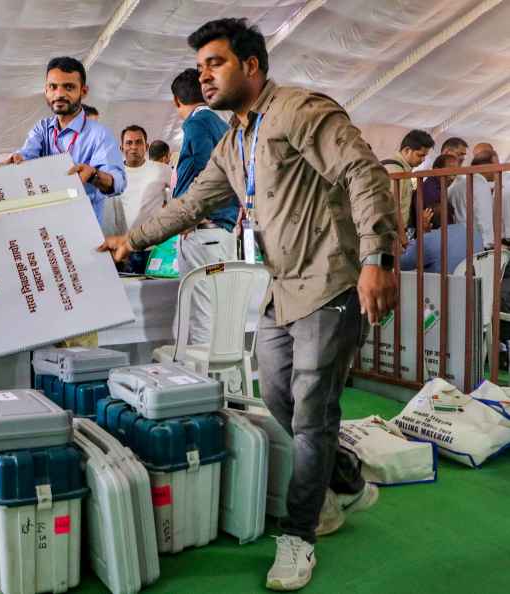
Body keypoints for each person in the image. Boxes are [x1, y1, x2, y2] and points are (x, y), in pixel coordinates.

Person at [98, 19, 397, 591]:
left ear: (252, 65)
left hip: (330, 282)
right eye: (202, 67)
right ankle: (349, 481)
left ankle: (299, 534)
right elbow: (189, 205)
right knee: (281, 398)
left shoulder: (301, 111)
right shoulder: (235, 141)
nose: (204, 75)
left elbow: (363, 171)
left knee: (310, 412)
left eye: (216, 63)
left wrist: (377, 257)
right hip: (281, 287)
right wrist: (128, 241)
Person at [7, 56, 126, 225]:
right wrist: (16, 161)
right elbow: (26, 155)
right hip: (45, 227)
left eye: (68, 87)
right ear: (46, 90)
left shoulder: (99, 135)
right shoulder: (42, 128)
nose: (60, 94)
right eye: (53, 87)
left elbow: (118, 182)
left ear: (83, 91)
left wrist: (94, 175)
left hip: (83, 233)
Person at [170, 67, 241, 345]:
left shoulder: (196, 124)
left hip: (202, 231)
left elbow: (201, 165)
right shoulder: (222, 124)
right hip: (220, 232)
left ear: (177, 101)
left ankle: (201, 384)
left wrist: (189, 213)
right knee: (213, 310)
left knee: (198, 316)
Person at [118, 125, 171, 272]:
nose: (134, 147)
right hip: (124, 248)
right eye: (129, 143)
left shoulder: (163, 170)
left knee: (157, 292)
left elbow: (177, 200)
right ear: (121, 147)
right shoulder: (113, 175)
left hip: (154, 247)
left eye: (138, 142)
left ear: (146, 146)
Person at [382, 129, 435, 227]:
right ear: (407, 150)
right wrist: (401, 236)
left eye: (425, 156)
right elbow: (391, 209)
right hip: (392, 233)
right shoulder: (395, 171)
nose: (423, 160)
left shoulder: (402, 170)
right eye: (420, 155)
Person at [452, 149, 501, 247]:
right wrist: (491, 245)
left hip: (458, 241)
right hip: (478, 245)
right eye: (496, 165)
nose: (499, 169)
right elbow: (484, 220)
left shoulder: (457, 185)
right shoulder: (481, 185)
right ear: (486, 166)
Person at [400, 223, 482, 274]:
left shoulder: (429, 240)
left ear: (430, 224)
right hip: (472, 293)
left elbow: (402, 263)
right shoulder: (474, 233)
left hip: (439, 295)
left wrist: (422, 234)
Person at [410, 154, 457, 232]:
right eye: (450, 171)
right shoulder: (431, 191)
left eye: (455, 172)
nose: (453, 177)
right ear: (436, 170)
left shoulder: (435, 186)